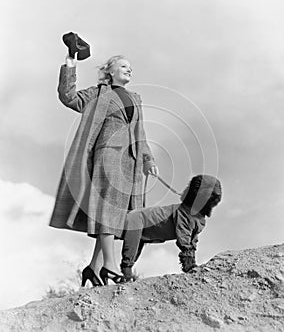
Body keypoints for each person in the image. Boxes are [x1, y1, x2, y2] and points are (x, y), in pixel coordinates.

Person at [49, 52, 158, 286]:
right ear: (110, 71)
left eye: (131, 67)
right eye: (123, 66)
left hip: (131, 162)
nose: (129, 69)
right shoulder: (97, 94)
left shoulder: (135, 98)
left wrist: (147, 158)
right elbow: (68, 97)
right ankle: (110, 264)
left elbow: (140, 132)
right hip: (107, 156)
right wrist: (70, 61)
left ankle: (94, 267)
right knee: (108, 210)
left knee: (120, 214)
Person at [120, 174, 222, 281]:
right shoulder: (185, 215)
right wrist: (189, 264)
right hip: (137, 219)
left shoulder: (198, 219)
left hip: (141, 220)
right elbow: (184, 240)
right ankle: (126, 272)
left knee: (137, 243)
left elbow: (192, 240)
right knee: (134, 243)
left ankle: (126, 273)